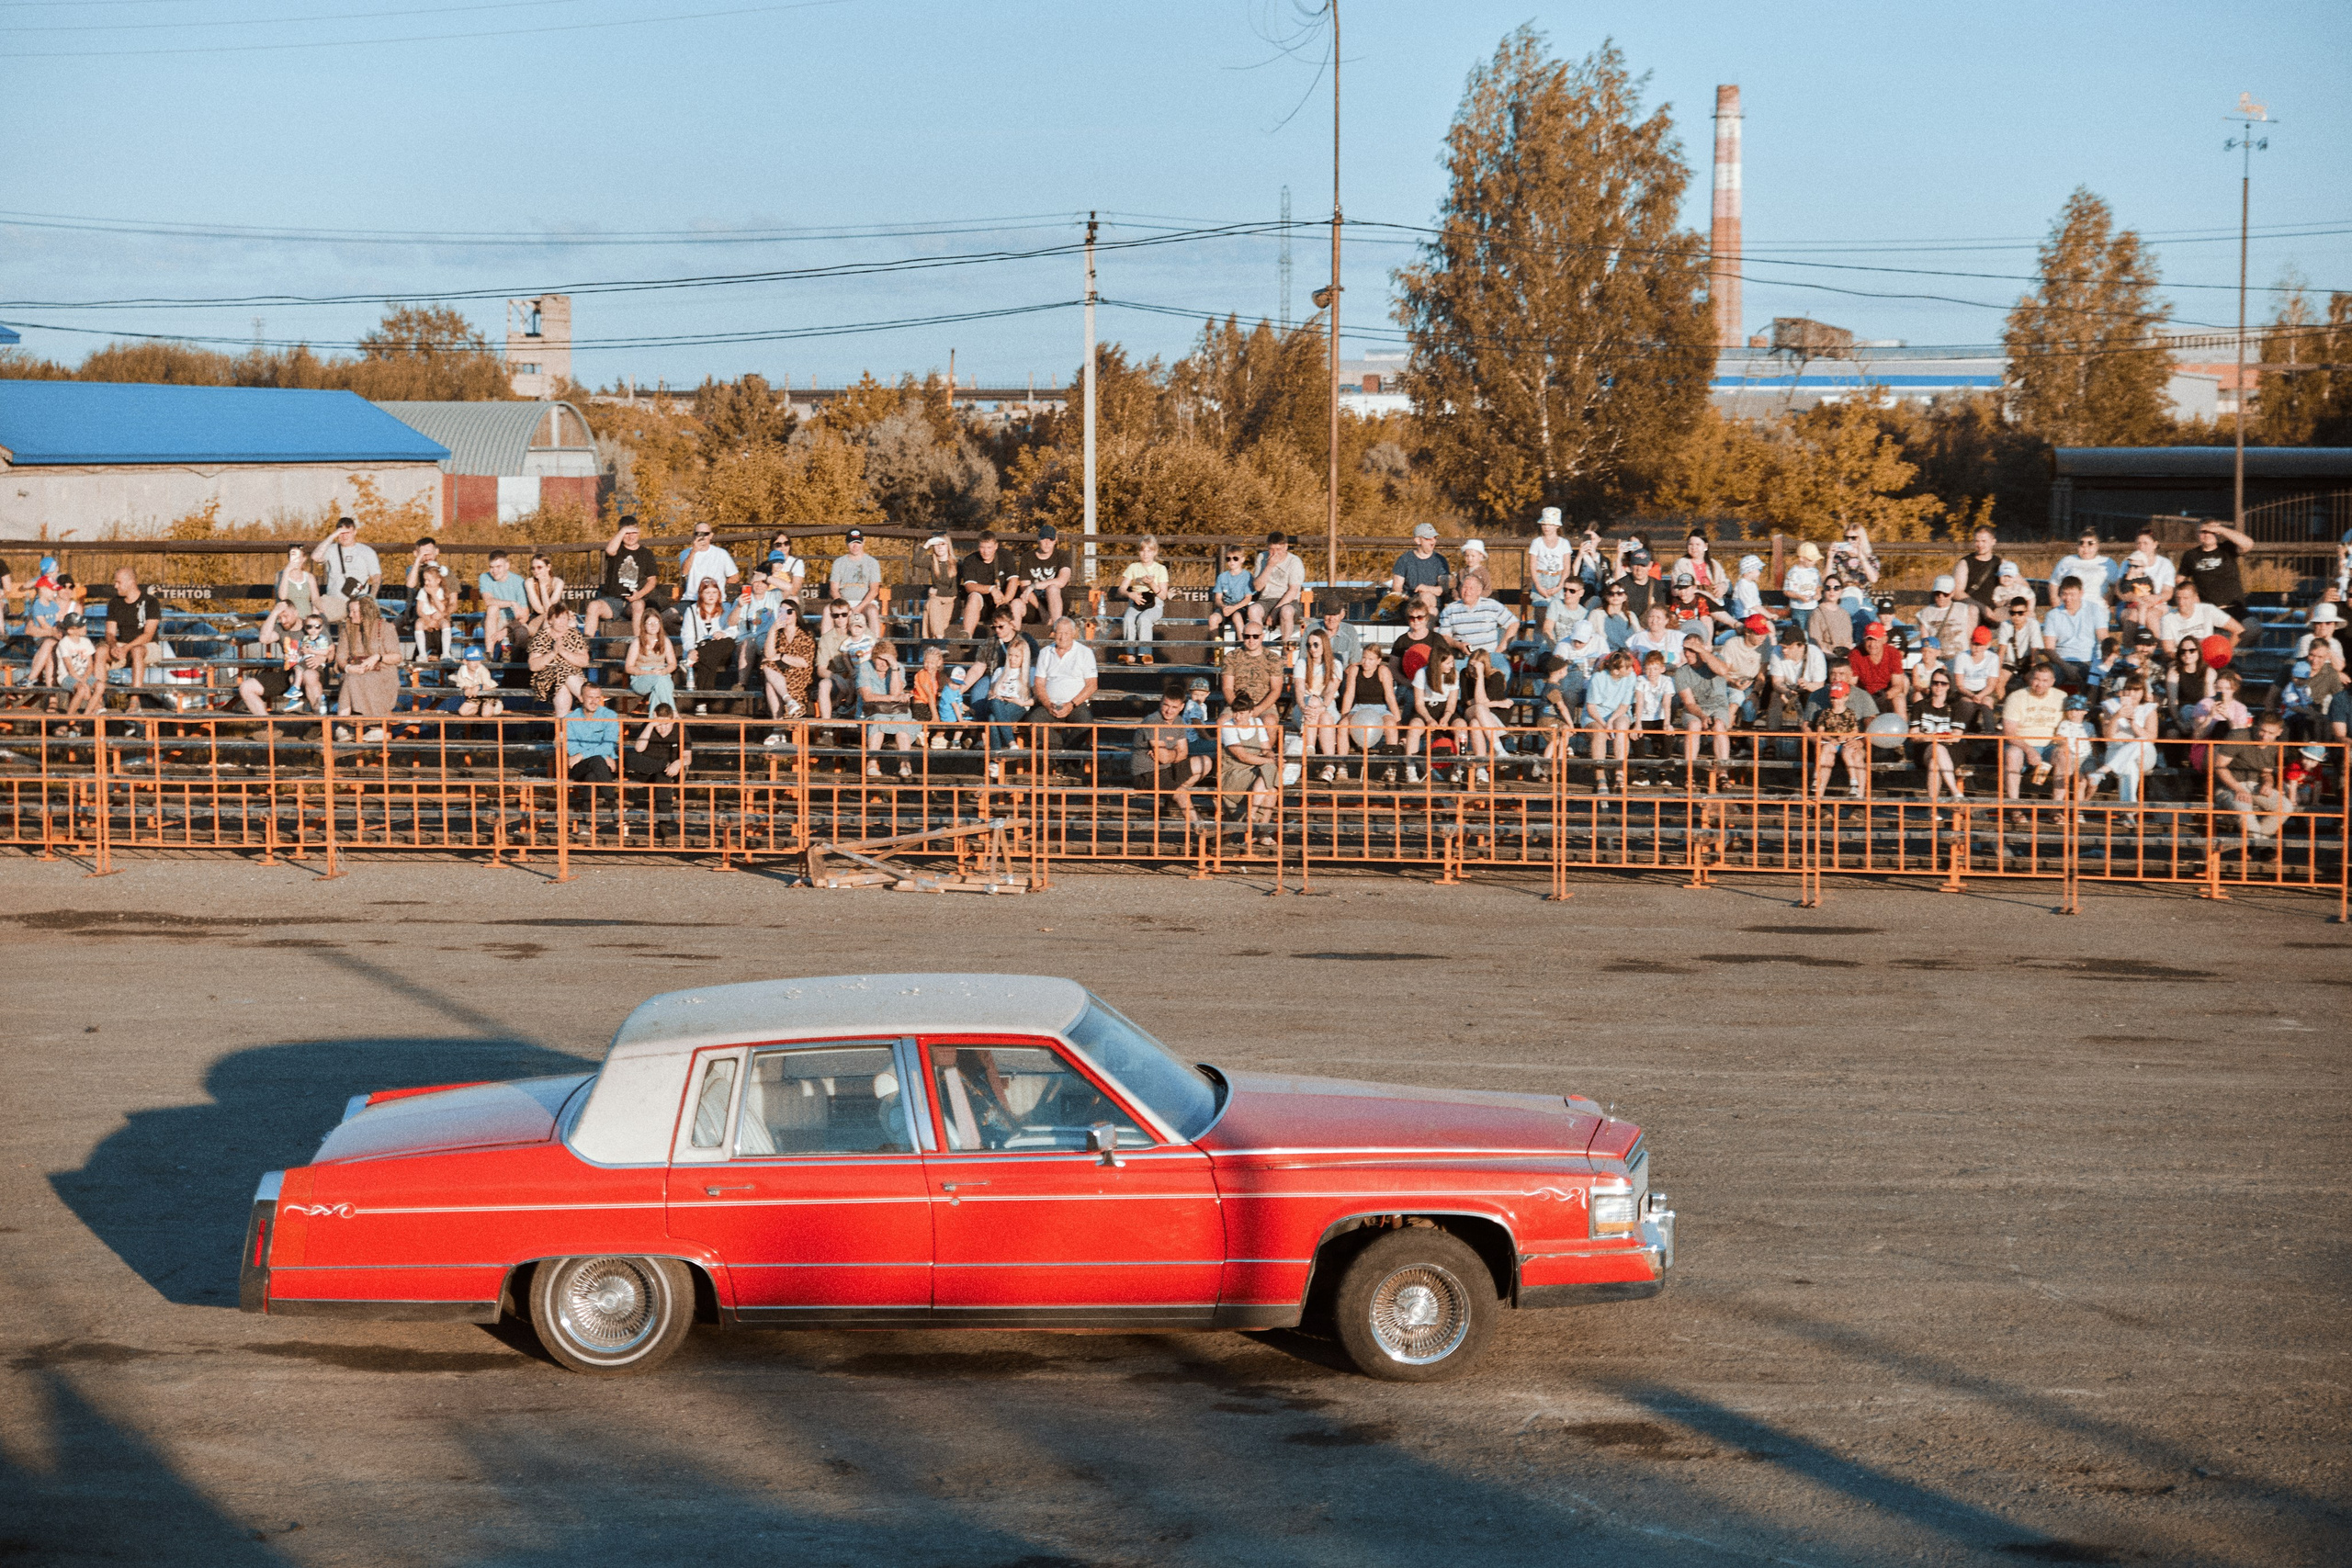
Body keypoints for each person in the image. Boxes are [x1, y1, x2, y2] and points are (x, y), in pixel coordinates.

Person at [964, 607, 1036, 779]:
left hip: (1018, 687)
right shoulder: (991, 644)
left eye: (1001, 626)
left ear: (1011, 624)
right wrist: (959, 690)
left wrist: (1023, 699)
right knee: (981, 695)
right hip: (996, 680)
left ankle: (992, 751)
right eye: (994, 627)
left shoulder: (1025, 640)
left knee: (993, 714)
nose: (997, 630)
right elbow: (979, 667)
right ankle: (1000, 741)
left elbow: (1034, 666)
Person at [1030, 616, 1099, 777]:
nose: (1062, 637)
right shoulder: (1045, 653)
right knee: (1034, 722)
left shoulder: (1085, 653)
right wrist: (1048, 704)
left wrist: (1071, 704)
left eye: (1066, 633)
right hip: (1051, 703)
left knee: (1086, 723)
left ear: (1074, 633)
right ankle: (1068, 756)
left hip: (1076, 704)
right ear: (1054, 633)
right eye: (1059, 633)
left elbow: (1092, 685)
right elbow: (1039, 683)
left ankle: (1062, 758)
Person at [1131, 682, 1206, 823]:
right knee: (1182, 794)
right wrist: (1174, 752)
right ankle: (1202, 829)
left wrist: (1168, 753)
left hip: (1167, 769)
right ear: (1161, 702)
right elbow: (1165, 758)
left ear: (1182, 707)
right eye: (1166, 705)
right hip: (1147, 773)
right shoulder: (1152, 721)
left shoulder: (1179, 721)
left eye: (1174, 707)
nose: (1169, 711)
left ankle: (1172, 798)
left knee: (1205, 762)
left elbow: (1182, 753)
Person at [2001, 660, 2071, 805]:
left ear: (2052, 682)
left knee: (2065, 755)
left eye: (2045, 681)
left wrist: (2061, 741)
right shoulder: (2016, 697)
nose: (2040, 684)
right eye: (2037, 679)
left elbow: (2067, 727)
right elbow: (2009, 732)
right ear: (2030, 679)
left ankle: (2056, 807)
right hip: (2021, 745)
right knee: (2012, 754)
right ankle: (2015, 806)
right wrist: (2029, 750)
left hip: (2050, 746)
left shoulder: (2062, 697)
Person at [334, 595, 402, 743]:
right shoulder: (348, 630)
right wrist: (349, 668)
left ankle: (349, 725)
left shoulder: (385, 628)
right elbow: (341, 657)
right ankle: (347, 725)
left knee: (365, 679)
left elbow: (396, 656)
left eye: (354, 611)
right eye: (350, 611)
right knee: (352, 677)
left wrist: (378, 657)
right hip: (356, 670)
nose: (350, 615)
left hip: (383, 671)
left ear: (366, 611)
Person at [586, 517, 664, 641]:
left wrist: (638, 595)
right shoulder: (616, 549)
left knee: (639, 605)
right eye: (627, 533)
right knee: (593, 606)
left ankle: (639, 645)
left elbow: (652, 581)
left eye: (634, 532)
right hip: (611, 600)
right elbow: (610, 550)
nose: (631, 536)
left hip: (633, 602)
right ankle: (587, 645)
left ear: (638, 532)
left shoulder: (646, 554)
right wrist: (623, 531)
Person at [1675, 633, 1736, 787]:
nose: (1687, 653)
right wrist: (1702, 716)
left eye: (1691, 649)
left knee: (1719, 725)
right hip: (1695, 709)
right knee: (1693, 726)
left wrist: (1702, 651)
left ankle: (1722, 773)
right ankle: (1689, 774)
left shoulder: (1715, 659)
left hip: (1718, 707)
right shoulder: (1682, 672)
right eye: (1685, 649)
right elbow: (1689, 702)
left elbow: (1722, 671)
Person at [1216, 702, 1281, 846]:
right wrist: (1270, 761)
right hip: (1233, 772)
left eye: (1241, 713)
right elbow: (1243, 756)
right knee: (1270, 774)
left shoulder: (1257, 723)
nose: (1237, 717)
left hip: (1254, 770)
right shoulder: (1228, 726)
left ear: (1251, 713)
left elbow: (1266, 749)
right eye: (1235, 712)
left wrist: (1273, 759)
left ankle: (1254, 817)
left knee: (1272, 788)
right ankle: (1261, 831)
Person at [1339, 641, 1401, 782]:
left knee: (1391, 725)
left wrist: (1397, 719)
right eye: (1364, 658)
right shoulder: (1355, 670)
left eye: (1371, 659)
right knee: (1342, 725)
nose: (1366, 662)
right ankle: (1342, 765)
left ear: (1378, 661)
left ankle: (1391, 767)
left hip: (1380, 708)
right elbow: (1349, 694)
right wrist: (1344, 716)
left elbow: (1390, 696)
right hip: (1359, 708)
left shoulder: (1383, 671)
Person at [856, 642, 920, 778]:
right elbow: (867, 697)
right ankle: (872, 763)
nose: (884, 664)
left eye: (887, 660)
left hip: (895, 712)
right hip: (872, 712)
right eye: (880, 659)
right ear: (874, 658)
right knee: (879, 720)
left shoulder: (897, 667)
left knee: (903, 720)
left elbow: (895, 691)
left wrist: (895, 668)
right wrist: (893, 698)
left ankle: (905, 763)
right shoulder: (865, 667)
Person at [625, 703, 691, 825]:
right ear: (655, 718)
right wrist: (650, 725)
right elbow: (639, 748)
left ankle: (663, 823)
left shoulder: (680, 728)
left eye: (667, 724)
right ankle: (663, 765)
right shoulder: (648, 726)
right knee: (630, 759)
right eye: (659, 724)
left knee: (663, 777)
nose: (663, 728)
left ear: (673, 720)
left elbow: (688, 757)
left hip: (670, 772)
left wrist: (678, 762)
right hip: (648, 770)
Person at [1584, 648, 1638, 795]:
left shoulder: (1631, 677)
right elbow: (1591, 707)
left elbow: (1625, 705)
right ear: (1616, 671)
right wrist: (1604, 724)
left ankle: (1620, 773)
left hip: (1618, 712)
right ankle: (1600, 778)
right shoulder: (1598, 678)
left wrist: (1611, 721)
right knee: (1599, 734)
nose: (1631, 670)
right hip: (1596, 714)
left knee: (1621, 727)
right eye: (1627, 667)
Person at [563, 682, 622, 820]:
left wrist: (583, 754)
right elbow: (572, 748)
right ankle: (613, 804)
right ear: (581, 698)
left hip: (603, 766)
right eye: (590, 697)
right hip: (581, 765)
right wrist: (602, 756)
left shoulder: (610, 715)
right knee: (597, 760)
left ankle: (585, 821)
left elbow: (608, 746)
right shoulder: (570, 719)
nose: (594, 701)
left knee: (592, 776)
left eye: (597, 697)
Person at [760, 603, 817, 743]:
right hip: (780, 675)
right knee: (766, 665)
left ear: (796, 614)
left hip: (799, 677)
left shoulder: (805, 634)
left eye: (789, 611)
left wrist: (781, 656)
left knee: (770, 684)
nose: (785, 614)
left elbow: (805, 662)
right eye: (781, 611)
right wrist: (772, 630)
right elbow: (768, 655)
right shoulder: (778, 633)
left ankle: (777, 730)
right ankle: (789, 701)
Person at [1910, 670, 1969, 801]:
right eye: (1935, 683)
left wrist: (1929, 736)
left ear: (1948, 686)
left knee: (1934, 763)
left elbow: (1956, 737)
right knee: (1937, 748)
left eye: (1943, 683)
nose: (1939, 686)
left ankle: (1933, 808)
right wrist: (1937, 737)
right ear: (1931, 684)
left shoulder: (1956, 707)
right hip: (1924, 749)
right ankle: (1956, 792)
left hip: (1951, 750)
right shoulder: (1920, 706)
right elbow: (1913, 736)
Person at [100, 566, 163, 688]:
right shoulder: (114, 603)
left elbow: (148, 635)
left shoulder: (151, 602)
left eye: (118, 582)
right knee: (100, 652)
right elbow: (110, 633)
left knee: (137, 651)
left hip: (147, 646)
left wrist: (126, 648)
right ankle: (98, 696)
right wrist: (113, 646)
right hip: (122, 646)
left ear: (131, 582)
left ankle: (135, 696)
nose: (115, 586)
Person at [678, 580, 737, 708]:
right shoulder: (692, 610)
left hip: (722, 649)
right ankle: (702, 702)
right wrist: (690, 650)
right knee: (709, 659)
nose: (711, 596)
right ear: (701, 594)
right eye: (707, 592)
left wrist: (723, 633)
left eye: (714, 592)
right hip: (701, 648)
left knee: (728, 642)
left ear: (719, 594)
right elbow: (687, 635)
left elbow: (734, 630)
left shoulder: (726, 607)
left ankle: (689, 662)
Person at [1295, 627, 1344, 778]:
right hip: (1304, 708)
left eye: (1316, 645)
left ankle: (1321, 759)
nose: (1312, 648)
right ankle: (1329, 765)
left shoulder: (1335, 665)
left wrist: (1322, 707)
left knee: (1326, 717)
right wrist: (1303, 707)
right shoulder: (1302, 663)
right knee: (1313, 701)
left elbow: (1330, 691)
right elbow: (1299, 690)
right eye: (1309, 645)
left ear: (1324, 645)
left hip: (1327, 706)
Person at [311, 516, 381, 624]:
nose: (344, 536)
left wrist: (370, 600)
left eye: (347, 532)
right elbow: (315, 557)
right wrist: (332, 536)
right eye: (341, 533)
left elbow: (377, 578)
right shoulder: (331, 549)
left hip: (357, 602)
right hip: (335, 601)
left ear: (355, 532)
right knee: (315, 609)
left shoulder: (367, 551)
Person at [2179, 519, 2254, 618]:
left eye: (2212, 531)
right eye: (2203, 532)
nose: (2207, 535)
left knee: (2253, 626)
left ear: (2218, 533)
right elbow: (2180, 580)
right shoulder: (2191, 555)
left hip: (2235, 608)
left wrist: (2221, 529)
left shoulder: (2227, 548)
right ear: (2197, 534)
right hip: (2208, 611)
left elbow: (2248, 544)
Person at [2041, 576, 2109, 685]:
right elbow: (2049, 649)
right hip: (2061, 661)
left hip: (2088, 660)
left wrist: (2106, 660)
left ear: (2081, 593)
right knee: (2044, 679)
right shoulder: (2053, 615)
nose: (2068, 598)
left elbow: (2104, 638)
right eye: (2064, 594)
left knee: (2103, 678)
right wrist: (2066, 667)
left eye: (2072, 594)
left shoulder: (2094, 609)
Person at [1438, 571, 1518, 664]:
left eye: (1471, 588)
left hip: (1490, 656)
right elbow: (1444, 636)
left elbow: (1514, 623)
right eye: (1465, 587)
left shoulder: (1492, 605)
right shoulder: (1450, 610)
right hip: (1463, 658)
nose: (1467, 591)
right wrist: (1458, 645)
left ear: (1479, 591)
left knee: (1504, 670)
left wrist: (1502, 647)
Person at [1221, 616, 1287, 727]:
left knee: (1270, 722)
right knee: (1222, 722)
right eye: (1247, 636)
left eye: (1255, 636)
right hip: (1237, 704)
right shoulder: (1231, 657)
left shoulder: (1273, 659)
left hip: (1264, 705)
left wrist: (1258, 710)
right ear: (1242, 636)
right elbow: (1227, 688)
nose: (1251, 640)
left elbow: (1276, 690)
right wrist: (1240, 709)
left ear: (1262, 636)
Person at [530, 604, 593, 718]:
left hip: (572, 677)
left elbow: (584, 661)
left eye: (564, 618)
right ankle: (586, 700)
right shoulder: (541, 636)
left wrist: (564, 652)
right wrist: (553, 652)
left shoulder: (574, 634)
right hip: (547, 679)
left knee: (562, 684)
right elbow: (533, 666)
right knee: (561, 669)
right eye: (558, 618)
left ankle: (561, 726)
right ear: (550, 620)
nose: (562, 622)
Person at [1809, 678, 1869, 798]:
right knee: (1825, 750)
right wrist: (1831, 739)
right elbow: (1820, 731)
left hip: (1845, 742)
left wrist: (1845, 737)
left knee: (1849, 753)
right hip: (1832, 742)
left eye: (1838, 697)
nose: (1835, 701)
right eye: (1833, 698)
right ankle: (1817, 778)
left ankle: (1854, 782)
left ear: (1846, 697)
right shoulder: (1826, 713)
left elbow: (1855, 730)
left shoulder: (1849, 713)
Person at [1116, 535, 1170, 663]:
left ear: (1155, 552)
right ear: (1139, 552)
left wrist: (1151, 584)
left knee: (1144, 619)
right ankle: (1130, 653)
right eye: (1143, 550)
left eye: (1149, 551)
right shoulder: (1133, 567)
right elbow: (1121, 590)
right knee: (1128, 619)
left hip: (1154, 603)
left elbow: (1163, 596)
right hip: (1136, 602)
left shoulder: (1160, 569)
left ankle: (1146, 653)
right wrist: (1130, 595)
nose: (1146, 554)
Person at [957, 529, 1020, 636]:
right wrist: (991, 589)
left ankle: (1014, 640)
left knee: (1017, 604)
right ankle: (966, 637)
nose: (986, 551)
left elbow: (1013, 580)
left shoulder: (1005, 556)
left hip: (1003, 602)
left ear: (996, 546)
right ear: (978, 546)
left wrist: (1005, 600)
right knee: (974, 597)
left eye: (989, 547)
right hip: (982, 606)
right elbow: (969, 586)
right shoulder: (970, 560)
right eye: (982, 547)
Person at [1012, 524, 1071, 632]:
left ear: (1055, 541)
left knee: (1052, 588)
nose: (1047, 543)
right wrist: (1042, 610)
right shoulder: (1027, 557)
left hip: (1058, 603)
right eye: (1044, 539)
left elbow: (1062, 581)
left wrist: (1034, 586)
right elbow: (1024, 587)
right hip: (1034, 604)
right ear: (1038, 539)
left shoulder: (1063, 556)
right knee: (1016, 603)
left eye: (1051, 540)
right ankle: (1013, 639)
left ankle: (1057, 631)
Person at [829, 527, 886, 637]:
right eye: (852, 542)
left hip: (866, 604)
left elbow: (874, 590)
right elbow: (833, 589)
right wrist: (845, 608)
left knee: (872, 611)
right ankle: (826, 645)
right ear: (847, 543)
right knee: (827, 610)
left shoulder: (872, 562)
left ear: (863, 542)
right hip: (843, 603)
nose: (855, 546)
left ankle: (875, 644)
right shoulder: (838, 563)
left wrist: (859, 608)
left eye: (858, 542)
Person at [1252, 530, 1307, 641]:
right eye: (1271, 549)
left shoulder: (1294, 561)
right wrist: (1269, 566)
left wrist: (1275, 611)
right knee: (1253, 610)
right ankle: (1258, 646)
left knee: (1286, 611)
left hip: (1288, 602)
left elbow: (1293, 590)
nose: (1275, 553)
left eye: (1278, 549)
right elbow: (1257, 587)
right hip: (1266, 600)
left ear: (1285, 547)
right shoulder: (1262, 557)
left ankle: (1285, 647)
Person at [1847, 620, 1908, 718]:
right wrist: (1865, 698)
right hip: (1864, 695)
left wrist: (1885, 695)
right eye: (1869, 639)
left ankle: (1902, 727)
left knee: (1899, 700)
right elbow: (1851, 684)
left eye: (1876, 640)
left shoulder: (1893, 653)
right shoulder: (1855, 654)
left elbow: (1898, 685)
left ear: (1884, 639)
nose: (1872, 644)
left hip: (1886, 694)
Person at [1387, 523, 1452, 614]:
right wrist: (1412, 599)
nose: (1433, 541)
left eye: (1435, 538)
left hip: (1433, 603)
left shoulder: (1440, 561)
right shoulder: (1404, 560)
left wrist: (1427, 589)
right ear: (1418, 540)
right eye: (1428, 538)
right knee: (1428, 607)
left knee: (1427, 601)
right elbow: (1396, 588)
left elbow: (1444, 589)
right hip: (1410, 604)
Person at [2158, 581, 2241, 650]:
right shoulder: (2168, 619)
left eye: (2185, 598)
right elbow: (2168, 651)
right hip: (2183, 658)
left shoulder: (2208, 610)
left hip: (2207, 657)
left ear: (2195, 598)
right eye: (2178, 598)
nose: (2181, 602)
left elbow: (2239, 631)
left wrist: (2224, 651)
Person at [1525, 508, 1574, 626]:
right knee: (1541, 615)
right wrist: (1538, 586)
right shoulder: (1537, 542)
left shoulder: (1564, 543)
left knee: (1558, 616)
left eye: (1550, 524)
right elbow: (1532, 566)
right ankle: (1539, 637)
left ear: (1557, 526)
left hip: (1558, 579)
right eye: (1544, 524)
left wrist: (1560, 586)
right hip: (1541, 579)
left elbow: (1567, 567)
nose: (1547, 527)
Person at [478, 551, 532, 656]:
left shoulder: (518, 581)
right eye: (491, 567)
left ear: (507, 566)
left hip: (513, 622)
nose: (494, 571)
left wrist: (506, 631)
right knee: (492, 608)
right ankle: (489, 653)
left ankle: (514, 660)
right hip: (494, 620)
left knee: (521, 632)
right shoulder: (485, 577)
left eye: (498, 567)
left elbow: (524, 616)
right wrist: (512, 603)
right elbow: (488, 601)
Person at [2051, 529, 2123, 604]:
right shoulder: (2067, 561)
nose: (2086, 548)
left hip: (2097, 606)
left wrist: (2110, 595)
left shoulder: (2108, 563)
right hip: (2070, 607)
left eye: (2090, 544)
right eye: (2081, 543)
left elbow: (2117, 584)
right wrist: (2054, 600)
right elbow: (2054, 583)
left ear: (2097, 546)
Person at [626, 615, 678, 716]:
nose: (653, 625)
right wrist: (648, 672)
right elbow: (628, 667)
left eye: (656, 622)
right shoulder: (637, 642)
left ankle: (653, 720)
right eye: (649, 623)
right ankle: (673, 712)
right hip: (642, 679)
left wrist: (664, 671)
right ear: (644, 625)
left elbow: (673, 664)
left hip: (663, 676)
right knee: (659, 680)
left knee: (656, 692)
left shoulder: (665, 641)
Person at [55, 614, 104, 721]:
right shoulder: (64, 643)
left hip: (84, 676)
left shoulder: (86, 642)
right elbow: (70, 669)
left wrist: (84, 680)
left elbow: (90, 666)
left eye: (84, 625)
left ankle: (87, 714)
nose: (84, 628)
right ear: (70, 631)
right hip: (67, 677)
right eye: (80, 627)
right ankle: (69, 718)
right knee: (82, 690)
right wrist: (83, 683)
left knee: (100, 685)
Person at [677, 523, 739, 604]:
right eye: (698, 534)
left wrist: (717, 589)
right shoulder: (686, 553)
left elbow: (735, 577)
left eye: (706, 534)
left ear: (711, 536)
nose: (702, 537)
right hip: (692, 598)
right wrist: (693, 551)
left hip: (716, 601)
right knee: (671, 612)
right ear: (694, 536)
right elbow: (684, 572)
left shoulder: (721, 553)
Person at [917, 534, 962, 641]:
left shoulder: (957, 563)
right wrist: (927, 544)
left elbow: (953, 592)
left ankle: (930, 643)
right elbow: (915, 561)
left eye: (943, 544)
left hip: (951, 603)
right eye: (936, 544)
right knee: (932, 602)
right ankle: (940, 639)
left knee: (929, 608)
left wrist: (936, 591)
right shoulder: (932, 561)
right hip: (936, 601)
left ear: (948, 546)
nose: (940, 547)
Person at [1951, 525, 2003, 617]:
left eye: (1984, 541)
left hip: (1995, 610)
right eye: (1977, 541)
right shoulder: (1964, 563)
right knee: (1973, 611)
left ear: (1993, 542)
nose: (1980, 545)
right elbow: (1957, 592)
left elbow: (2021, 583)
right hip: (1970, 610)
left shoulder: (2000, 563)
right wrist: (1982, 607)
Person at [1916, 574, 1973, 652]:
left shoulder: (1965, 610)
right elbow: (1925, 642)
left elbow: (1971, 638)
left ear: (1952, 593)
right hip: (1937, 657)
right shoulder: (1924, 613)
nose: (1941, 596)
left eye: (1945, 593)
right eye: (1937, 593)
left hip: (1962, 656)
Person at [1209, 546, 1255, 641]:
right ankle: (1217, 647)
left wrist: (1234, 608)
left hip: (1240, 607)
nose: (1231, 561)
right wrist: (1223, 607)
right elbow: (1218, 598)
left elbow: (1248, 598)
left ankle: (1241, 645)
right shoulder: (1222, 577)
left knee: (1237, 617)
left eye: (1235, 558)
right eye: (1228, 559)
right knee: (1213, 619)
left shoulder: (1247, 576)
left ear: (1242, 559)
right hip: (1225, 607)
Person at [411, 561, 453, 663]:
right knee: (418, 624)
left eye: (429, 580)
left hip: (438, 618)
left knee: (446, 624)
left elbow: (442, 609)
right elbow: (419, 610)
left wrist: (433, 595)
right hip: (426, 617)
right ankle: (422, 654)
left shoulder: (441, 591)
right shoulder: (422, 591)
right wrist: (427, 619)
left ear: (438, 580)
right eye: (425, 580)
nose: (426, 583)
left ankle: (446, 653)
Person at [1781, 540, 1824, 633]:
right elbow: (1786, 591)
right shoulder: (1793, 572)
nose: (1814, 562)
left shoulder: (1815, 571)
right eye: (1810, 560)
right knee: (1800, 631)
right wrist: (1799, 596)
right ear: (1801, 558)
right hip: (1798, 608)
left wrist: (1818, 594)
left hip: (1813, 606)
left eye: (1815, 560)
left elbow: (1817, 585)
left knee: (1813, 630)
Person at [449, 646, 503, 718]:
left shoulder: (483, 669)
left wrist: (478, 687)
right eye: (473, 661)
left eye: (478, 661)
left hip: (488, 694)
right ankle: (481, 707)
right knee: (463, 712)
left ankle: (495, 704)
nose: (476, 664)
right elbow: (461, 683)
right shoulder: (462, 670)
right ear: (465, 661)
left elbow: (486, 685)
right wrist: (466, 688)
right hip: (475, 695)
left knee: (486, 715)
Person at [1312, 594, 1363, 671]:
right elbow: (1303, 660)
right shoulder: (1311, 630)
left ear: (1342, 615)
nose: (1331, 618)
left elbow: (1355, 662)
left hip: (1343, 674)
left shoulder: (1350, 630)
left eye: (1335, 614)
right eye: (1328, 614)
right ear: (1323, 614)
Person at [274, 545, 319, 624]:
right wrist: (286, 572)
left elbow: (316, 601)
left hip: (306, 619)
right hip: (287, 620)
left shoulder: (309, 577)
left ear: (304, 559)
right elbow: (282, 597)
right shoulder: (280, 575)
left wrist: (314, 618)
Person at [523, 552, 567, 634]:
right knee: (548, 619)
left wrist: (542, 586)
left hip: (554, 617)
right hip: (537, 618)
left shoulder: (557, 582)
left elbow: (550, 609)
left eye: (539, 567)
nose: (536, 571)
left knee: (571, 622)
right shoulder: (529, 582)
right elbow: (539, 609)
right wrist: (542, 586)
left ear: (548, 567)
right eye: (533, 568)